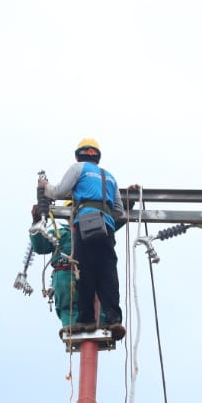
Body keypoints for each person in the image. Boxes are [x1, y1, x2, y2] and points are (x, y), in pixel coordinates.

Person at [38, 138, 125, 339]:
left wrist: (45, 186)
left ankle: (85, 320)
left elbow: (58, 191)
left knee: (84, 272)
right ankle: (114, 320)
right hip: (107, 229)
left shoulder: (78, 168)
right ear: (98, 156)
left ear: (79, 155)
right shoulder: (110, 177)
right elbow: (119, 210)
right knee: (107, 273)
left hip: (85, 226)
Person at [28, 202, 107, 333]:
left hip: (88, 274)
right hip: (65, 274)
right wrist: (36, 221)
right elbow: (40, 246)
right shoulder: (60, 233)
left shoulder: (96, 227)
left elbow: (114, 220)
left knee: (98, 304)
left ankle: (100, 326)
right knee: (68, 305)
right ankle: (73, 327)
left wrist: (128, 204)